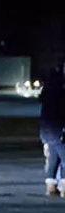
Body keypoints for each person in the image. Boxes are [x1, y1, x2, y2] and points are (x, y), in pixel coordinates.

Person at [39, 63, 65, 196]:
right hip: (59, 130)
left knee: (54, 160)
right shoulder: (61, 95)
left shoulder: (47, 96)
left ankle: (51, 187)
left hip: (46, 131)